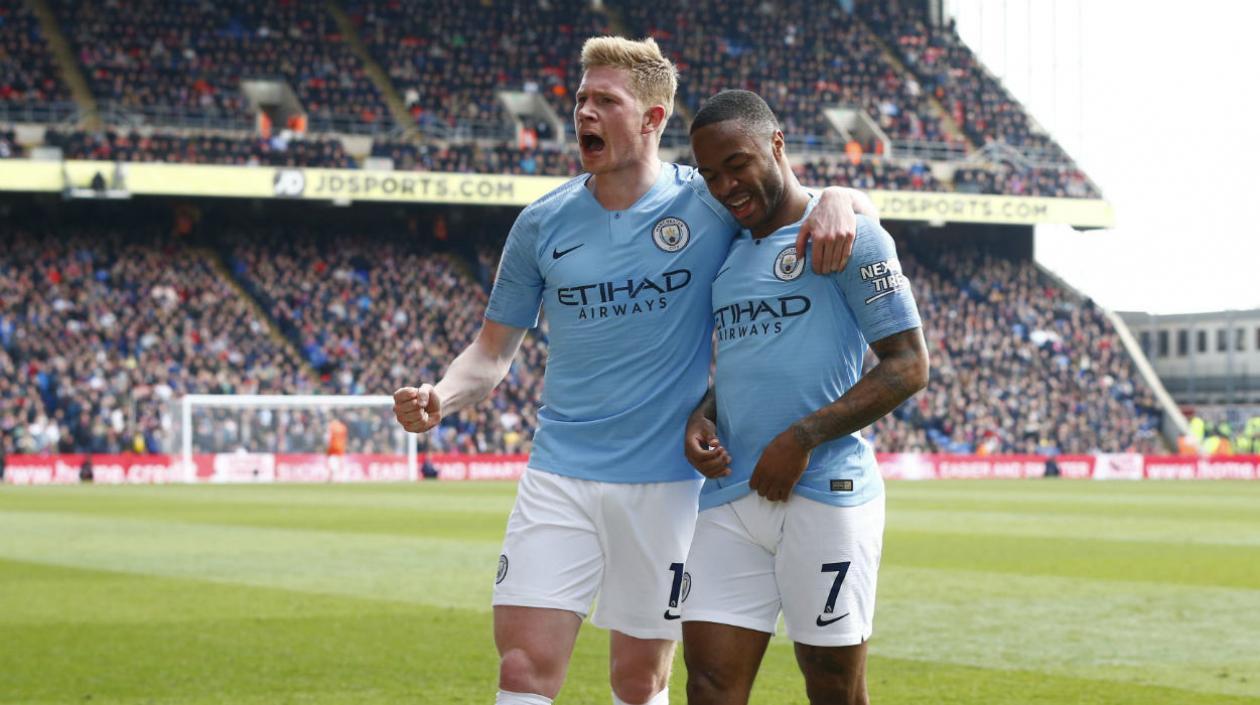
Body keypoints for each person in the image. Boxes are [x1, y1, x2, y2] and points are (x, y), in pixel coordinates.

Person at [393, 38, 878, 705]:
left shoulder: (708, 208)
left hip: (669, 486)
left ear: (651, 119)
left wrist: (843, 196)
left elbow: (797, 204)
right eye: (581, 98)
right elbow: (491, 353)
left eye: (605, 100)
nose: (584, 112)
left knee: (639, 679)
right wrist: (440, 396)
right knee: (523, 668)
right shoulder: (541, 224)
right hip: (559, 471)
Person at [680, 90, 929, 705]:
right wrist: (700, 416)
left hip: (825, 492)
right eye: (711, 174)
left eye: (737, 163)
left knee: (832, 687)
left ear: (777, 145)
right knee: (709, 685)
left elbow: (908, 366)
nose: (725, 185)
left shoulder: (846, 235)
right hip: (732, 495)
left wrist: (800, 439)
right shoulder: (727, 255)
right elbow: (746, 364)